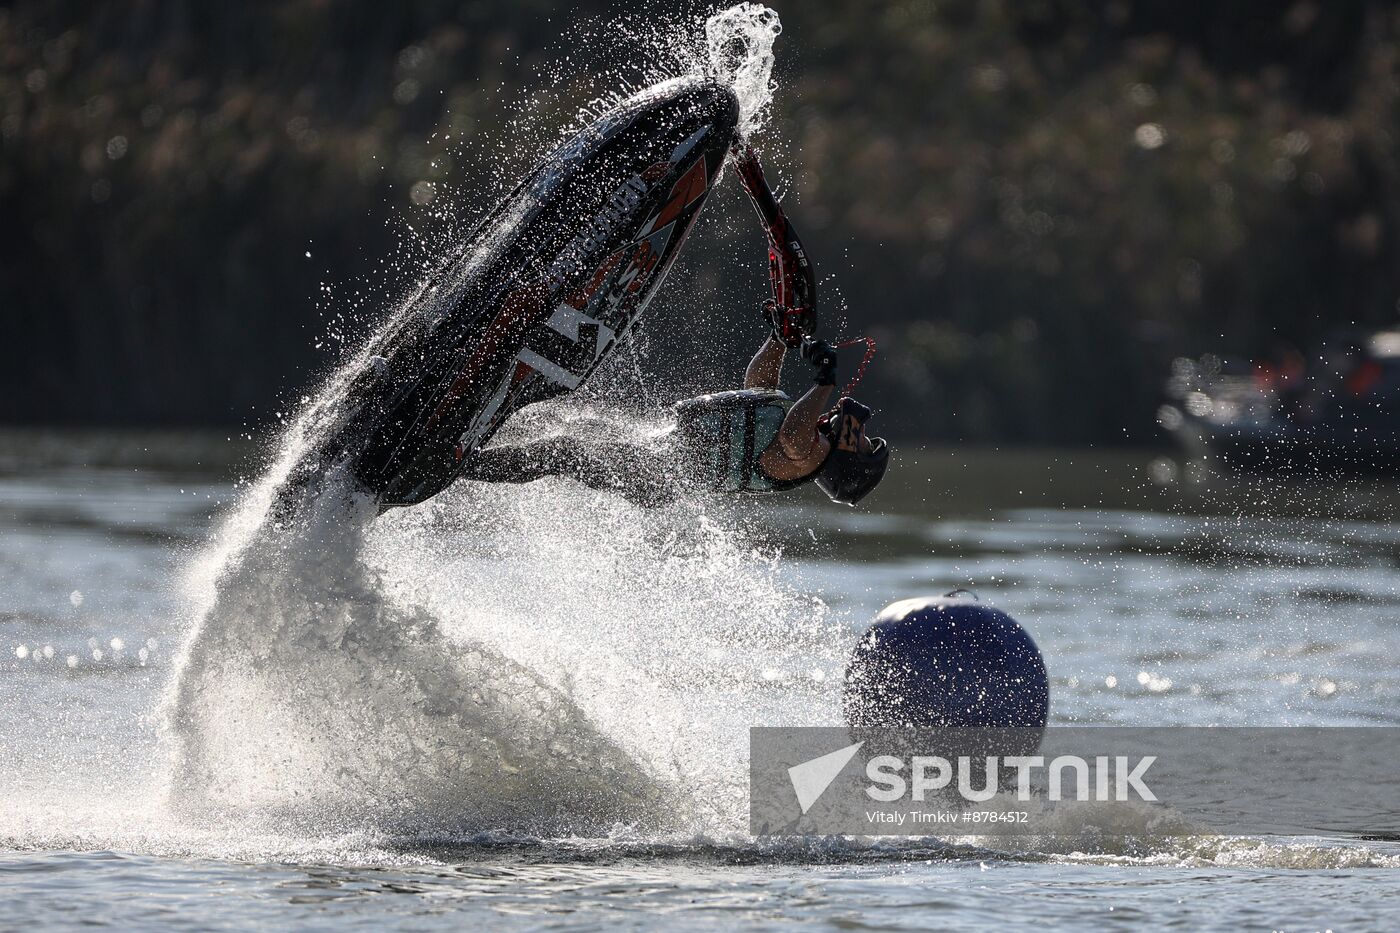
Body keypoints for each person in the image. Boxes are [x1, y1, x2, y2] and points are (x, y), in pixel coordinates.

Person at [457, 323, 889, 507]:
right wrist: (781, 336)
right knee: (577, 425)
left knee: (565, 451)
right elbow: (759, 385)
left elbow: (795, 435)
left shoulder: (802, 457)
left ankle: (460, 464)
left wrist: (826, 379)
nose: (860, 432)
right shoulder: (801, 437)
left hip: (656, 476)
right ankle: (476, 429)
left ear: (848, 458)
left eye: (864, 444)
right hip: (657, 450)